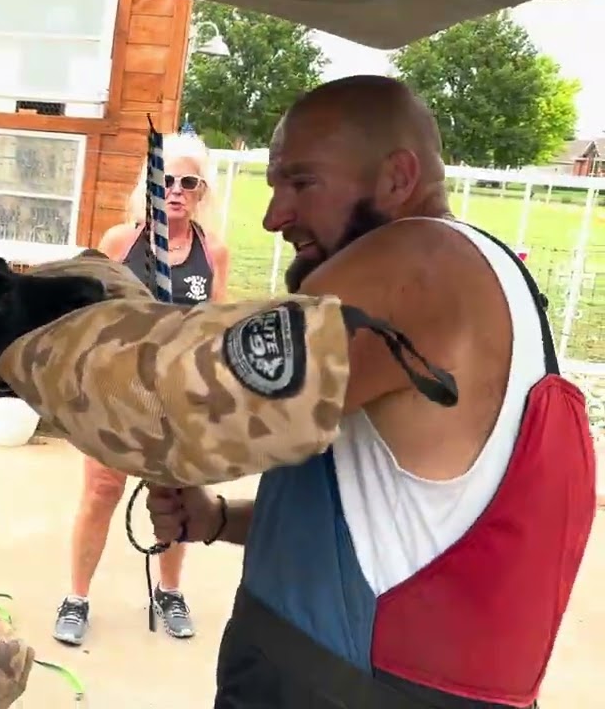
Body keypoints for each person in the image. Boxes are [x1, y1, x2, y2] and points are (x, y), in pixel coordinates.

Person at [147, 75, 595, 707]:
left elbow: (185, 404)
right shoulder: (481, 273)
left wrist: (25, 329)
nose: (275, 216)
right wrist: (219, 520)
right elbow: (396, 524)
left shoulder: (417, 263)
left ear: (397, 178)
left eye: (301, 183)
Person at [53, 131, 231, 645]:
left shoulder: (211, 251)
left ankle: (169, 593)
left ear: (201, 193)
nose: (176, 190)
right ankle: (77, 597)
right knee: (102, 491)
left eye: (188, 183)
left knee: (174, 498)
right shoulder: (119, 242)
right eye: (167, 180)